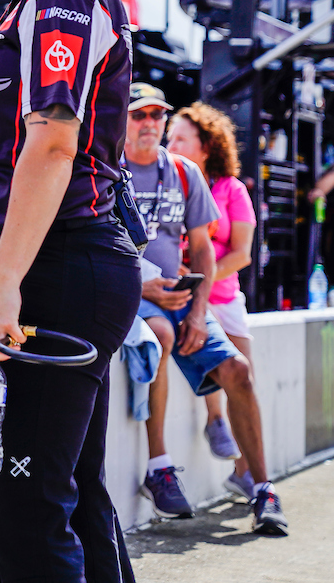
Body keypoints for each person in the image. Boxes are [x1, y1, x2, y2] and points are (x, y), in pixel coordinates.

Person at [0, 0, 141, 582]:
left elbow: (54, 144)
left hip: (61, 264)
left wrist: (4, 286)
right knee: (72, 495)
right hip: (69, 262)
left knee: (26, 505)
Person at [123, 84, 288, 535]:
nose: (149, 123)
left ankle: (262, 489)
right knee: (161, 336)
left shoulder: (183, 171)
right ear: (122, 120)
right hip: (129, 294)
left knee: (239, 370)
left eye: (157, 115)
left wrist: (199, 311)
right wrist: (142, 285)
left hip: (181, 296)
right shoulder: (107, 170)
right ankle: (159, 468)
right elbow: (97, 243)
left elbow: (203, 249)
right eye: (139, 115)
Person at [166, 102, 259, 499]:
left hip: (223, 297)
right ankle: (214, 418)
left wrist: (200, 280)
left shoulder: (232, 189)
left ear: (206, 146)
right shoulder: (168, 183)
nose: (170, 146)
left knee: (243, 379)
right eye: (170, 138)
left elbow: (242, 254)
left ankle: (247, 475)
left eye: (180, 139)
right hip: (181, 298)